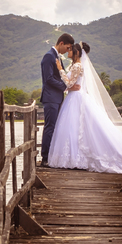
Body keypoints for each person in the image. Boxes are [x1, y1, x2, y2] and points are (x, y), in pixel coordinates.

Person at [47, 41, 122, 174]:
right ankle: (72, 157)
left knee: (74, 127)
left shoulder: (77, 66)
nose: (68, 51)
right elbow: (71, 85)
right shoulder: (74, 65)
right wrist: (68, 85)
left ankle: (75, 158)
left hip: (76, 98)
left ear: (76, 53)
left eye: (70, 50)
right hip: (73, 97)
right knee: (72, 128)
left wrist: (60, 69)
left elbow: (69, 84)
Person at [39, 33, 75, 166]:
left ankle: (52, 157)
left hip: (57, 98)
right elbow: (48, 79)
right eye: (67, 47)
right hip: (50, 98)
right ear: (61, 43)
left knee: (55, 127)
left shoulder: (56, 57)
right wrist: (65, 86)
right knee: (50, 127)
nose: (68, 50)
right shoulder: (49, 56)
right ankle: (45, 158)